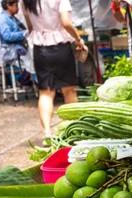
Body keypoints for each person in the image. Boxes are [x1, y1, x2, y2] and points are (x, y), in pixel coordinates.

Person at [22, 0, 85, 139]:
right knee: (69, 90)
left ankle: (47, 133)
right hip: (61, 47)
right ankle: (75, 130)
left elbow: (30, 26)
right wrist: (78, 39)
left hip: (40, 48)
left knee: (46, 93)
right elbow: (66, 23)